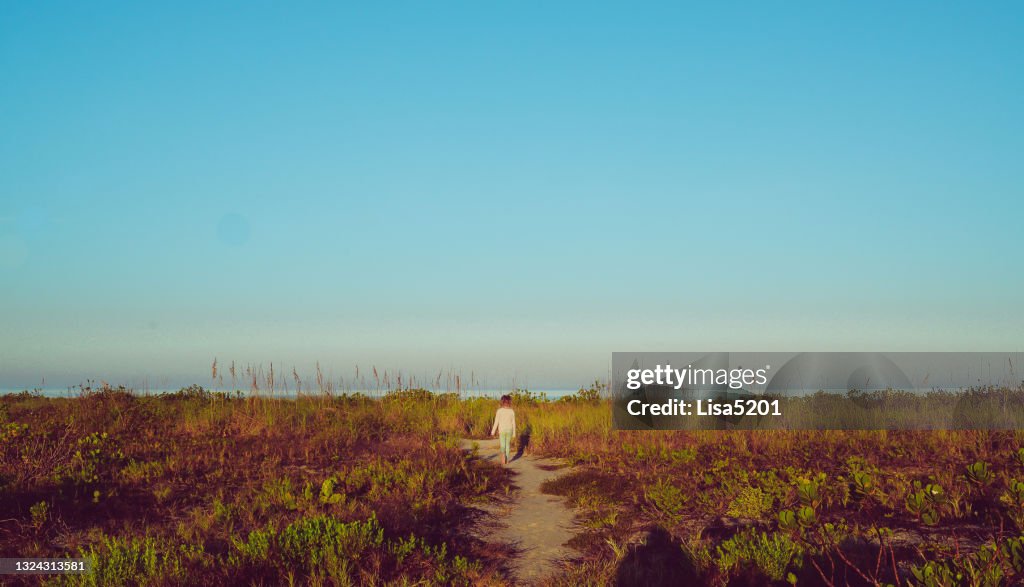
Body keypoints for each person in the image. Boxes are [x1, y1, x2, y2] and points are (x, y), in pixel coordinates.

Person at [490, 394, 516, 465]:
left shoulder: (499, 411)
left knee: (502, 445)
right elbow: (513, 423)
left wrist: (493, 432)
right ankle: (507, 459)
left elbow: (496, 422)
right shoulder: (511, 411)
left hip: (502, 430)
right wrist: (514, 433)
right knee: (507, 445)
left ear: (502, 402)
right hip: (509, 430)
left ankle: (503, 457)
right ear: (509, 402)